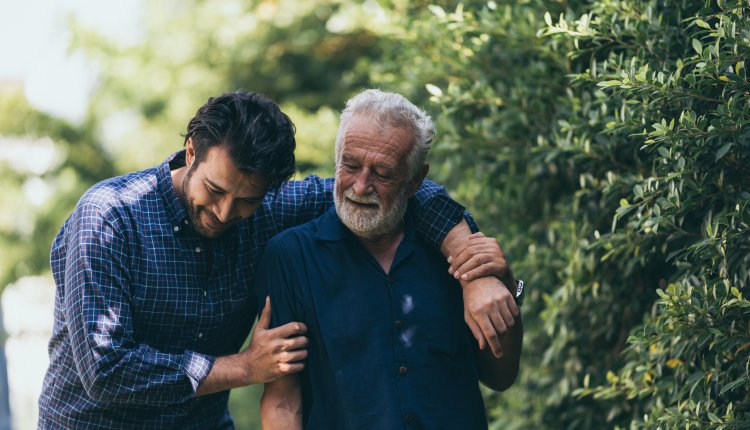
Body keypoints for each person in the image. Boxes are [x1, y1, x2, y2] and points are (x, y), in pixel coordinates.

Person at [37, 90, 516, 429]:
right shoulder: (109, 218)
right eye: (214, 190)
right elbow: (105, 370)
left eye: (245, 201)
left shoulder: (268, 209)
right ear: (191, 153)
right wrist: (246, 367)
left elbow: (404, 191)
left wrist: (472, 267)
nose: (225, 214)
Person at [258, 89, 523, 429]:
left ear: (415, 180)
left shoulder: (457, 246)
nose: (361, 185)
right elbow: (282, 401)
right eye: (350, 165)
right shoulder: (291, 257)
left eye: (382, 174)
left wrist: (503, 283)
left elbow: (500, 376)